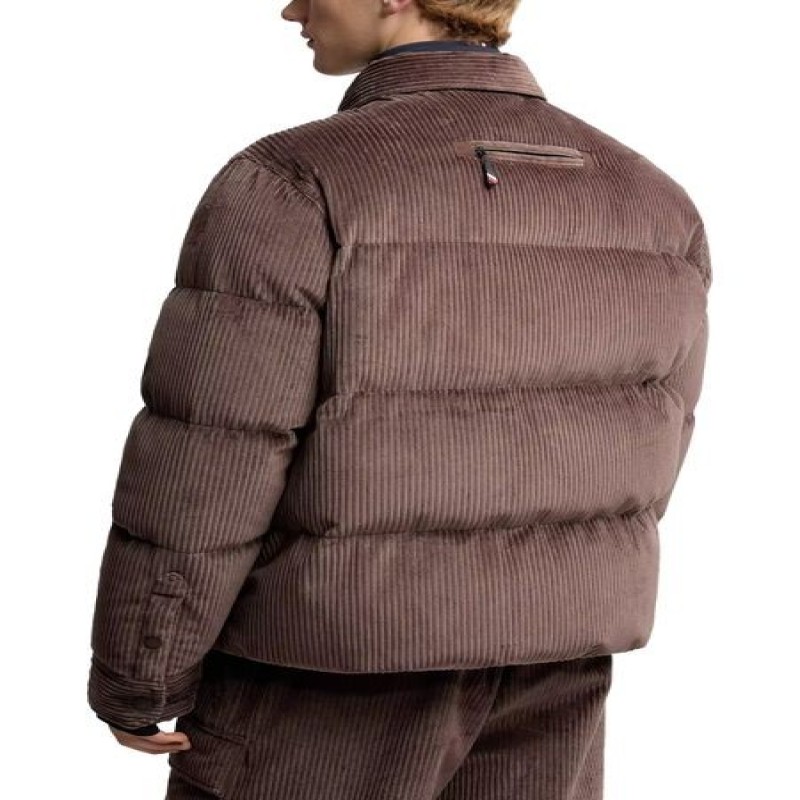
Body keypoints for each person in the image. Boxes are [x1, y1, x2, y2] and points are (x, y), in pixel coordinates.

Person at [86, 0, 712, 797]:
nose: (290, 8)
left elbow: (212, 453)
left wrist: (145, 667)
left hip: (325, 679)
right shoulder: (654, 200)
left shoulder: (294, 183)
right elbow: (656, 444)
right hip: (557, 664)